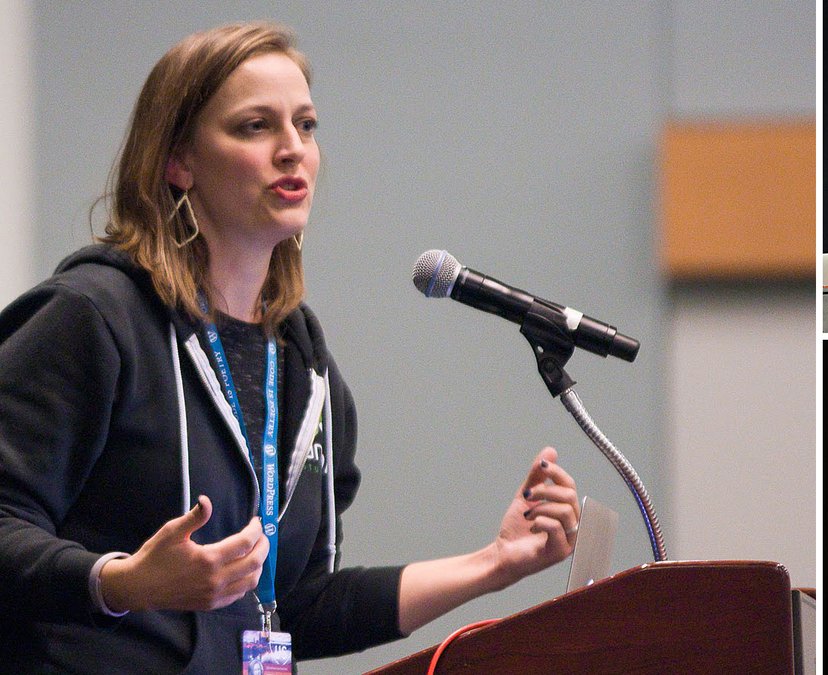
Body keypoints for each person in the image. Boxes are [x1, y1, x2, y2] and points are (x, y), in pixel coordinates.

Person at [0, 23, 580, 671]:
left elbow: (295, 608)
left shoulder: (301, 363)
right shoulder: (93, 317)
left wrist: (494, 562)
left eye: (305, 126)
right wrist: (122, 580)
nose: (292, 150)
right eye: (255, 126)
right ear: (178, 161)